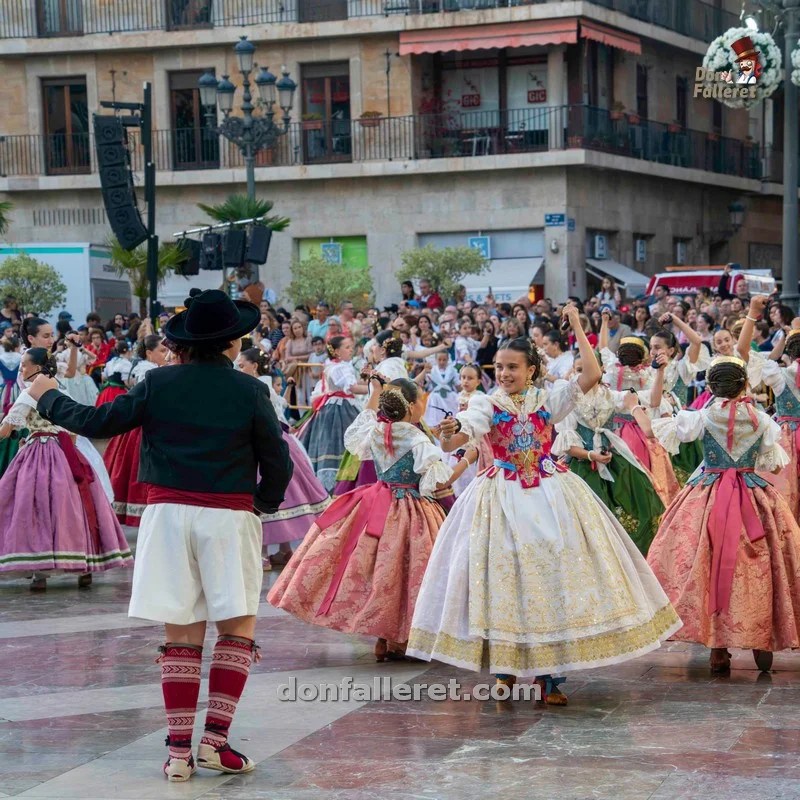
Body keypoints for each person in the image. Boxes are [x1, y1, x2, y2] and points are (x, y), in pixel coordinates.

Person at [26, 288, 293, 781]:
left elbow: (97, 421)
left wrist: (46, 394)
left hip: (167, 516)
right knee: (236, 628)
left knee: (181, 631)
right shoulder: (250, 390)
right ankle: (215, 743)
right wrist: (261, 503)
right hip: (227, 517)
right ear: (231, 343)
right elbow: (277, 461)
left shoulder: (158, 382)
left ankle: (178, 754)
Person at [406, 309, 680, 705]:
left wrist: (578, 325)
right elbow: (457, 438)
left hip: (549, 493)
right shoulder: (487, 403)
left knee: (552, 575)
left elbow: (591, 374)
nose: (504, 373)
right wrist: (451, 432)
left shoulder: (547, 399)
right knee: (504, 577)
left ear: (531, 370)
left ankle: (549, 677)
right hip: (502, 497)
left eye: (512, 367)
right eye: (500, 367)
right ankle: (504, 669)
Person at [269, 377, 471, 661]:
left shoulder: (376, 431)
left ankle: (383, 639)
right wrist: (467, 459)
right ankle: (403, 639)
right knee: (412, 572)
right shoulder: (417, 439)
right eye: (420, 401)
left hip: (377, 503)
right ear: (412, 407)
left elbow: (358, 434)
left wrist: (374, 392)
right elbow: (438, 481)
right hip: (412, 508)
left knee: (381, 571)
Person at [646, 355, 800, 675]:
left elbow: (669, 430)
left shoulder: (702, 416)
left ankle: (718, 648)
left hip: (708, 493)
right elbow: (772, 464)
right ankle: (761, 639)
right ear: (745, 385)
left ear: (711, 387)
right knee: (761, 566)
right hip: (752, 494)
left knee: (707, 561)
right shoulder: (762, 420)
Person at [0, 347, 132, 591]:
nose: (21, 369)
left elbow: (6, 430)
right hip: (66, 452)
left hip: (37, 452)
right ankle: (83, 563)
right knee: (73, 505)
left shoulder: (29, 393)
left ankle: (40, 571)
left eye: (24, 365)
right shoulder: (59, 390)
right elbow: (71, 431)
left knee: (35, 506)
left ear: (37, 368)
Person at [553, 351, 666, 554]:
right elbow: (568, 445)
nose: (584, 375)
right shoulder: (570, 401)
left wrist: (659, 373)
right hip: (582, 465)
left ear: (601, 369)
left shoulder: (610, 395)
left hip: (613, 462)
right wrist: (591, 455)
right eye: (579, 370)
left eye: (588, 369)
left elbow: (653, 400)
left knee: (640, 507)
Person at [237, 348, 330, 570]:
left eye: (241, 365)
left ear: (254, 366)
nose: (238, 369)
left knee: (263, 492)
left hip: (264, 440)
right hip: (281, 439)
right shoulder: (265, 384)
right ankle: (285, 548)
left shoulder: (256, 386)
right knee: (286, 492)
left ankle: (262, 553)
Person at [102, 334, 169, 527]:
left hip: (147, 422)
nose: (165, 354)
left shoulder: (154, 369)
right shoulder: (146, 370)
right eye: (162, 350)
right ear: (149, 353)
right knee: (138, 466)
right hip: (142, 424)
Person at [297, 336, 368, 491]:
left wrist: (371, 382)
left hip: (334, 406)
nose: (351, 350)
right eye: (347, 347)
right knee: (342, 441)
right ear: (336, 352)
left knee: (334, 441)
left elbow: (352, 384)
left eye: (351, 347)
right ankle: (343, 481)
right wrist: (374, 389)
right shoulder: (340, 367)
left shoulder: (333, 366)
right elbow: (352, 388)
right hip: (340, 409)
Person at [96, 341, 132, 406]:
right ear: (128, 352)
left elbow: (103, 377)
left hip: (107, 392)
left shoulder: (111, 362)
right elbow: (127, 382)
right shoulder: (126, 363)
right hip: (118, 393)